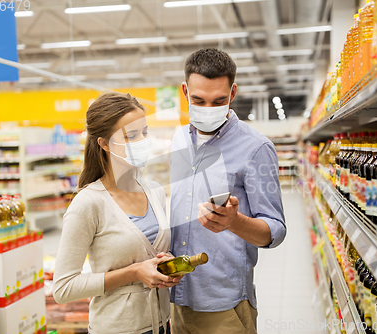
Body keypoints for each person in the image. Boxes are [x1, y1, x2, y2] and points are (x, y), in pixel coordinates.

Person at [169, 48, 287, 333]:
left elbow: (276, 230)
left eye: (218, 101)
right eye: (198, 100)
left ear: (233, 93)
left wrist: (234, 222)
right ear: (185, 91)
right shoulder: (178, 138)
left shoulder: (256, 148)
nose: (208, 110)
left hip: (223, 305)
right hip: (176, 296)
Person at [53, 92, 182, 334]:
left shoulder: (153, 191)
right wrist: (134, 272)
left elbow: (151, 253)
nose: (142, 141)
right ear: (104, 143)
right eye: (131, 135)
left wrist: (168, 267)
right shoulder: (88, 203)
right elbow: (63, 288)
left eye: (144, 132)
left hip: (162, 325)